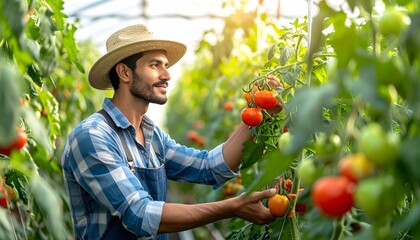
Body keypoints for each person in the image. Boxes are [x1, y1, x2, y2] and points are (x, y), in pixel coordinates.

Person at [61, 24, 281, 240]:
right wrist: (231, 207)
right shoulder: (92, 136)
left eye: (166, 65)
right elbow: (140, 214)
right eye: (155, 65)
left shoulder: (152, 136)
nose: (167, 75)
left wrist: (259, 111)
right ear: (124, 72)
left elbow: (209, 167)